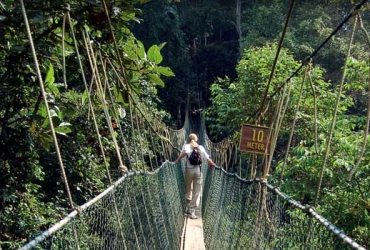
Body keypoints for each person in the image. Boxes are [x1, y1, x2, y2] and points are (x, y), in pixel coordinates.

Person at [174, 133, 215, 219]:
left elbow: (184, 154)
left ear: (189, 139)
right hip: (198, 170)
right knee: (197, 191)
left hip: (189, 170)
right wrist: (212, 163)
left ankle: (188, 206)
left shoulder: (187, 146)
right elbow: (207, 158)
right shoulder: (200, 147)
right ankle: (192, 211)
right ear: (196, 139)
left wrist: (177, 161)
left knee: (189, 188)